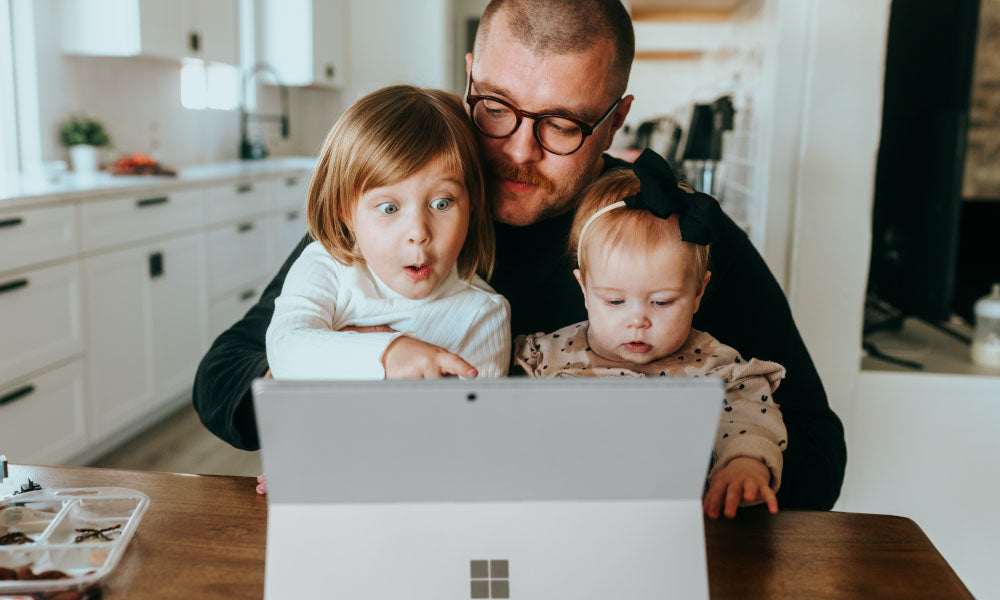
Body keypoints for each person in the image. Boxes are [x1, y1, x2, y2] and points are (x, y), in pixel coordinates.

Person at [194, 0, 847, 510]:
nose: (518, 151)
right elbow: (222, 378)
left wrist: (702, 460)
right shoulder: (406, 211)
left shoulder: (668, 230)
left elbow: (818, 445)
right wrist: (344, 375)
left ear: (615, 120)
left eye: (562, 124)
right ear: (470, 76)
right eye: (496, 108)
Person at [514, 151, 787, 519]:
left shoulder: (716, 370)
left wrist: (745, 466)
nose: (638, 321)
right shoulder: (545, 355)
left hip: (669, 524)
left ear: (698, 293)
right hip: (564, 521)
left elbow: (748, 421)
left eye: (661, 302)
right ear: (584, 288)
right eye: (614, 301)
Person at [265, 85, 510, 382]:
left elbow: (474, 411)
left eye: (441, 204)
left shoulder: (483, 315)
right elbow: (285, 348)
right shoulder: (326, 267)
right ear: (345, 212)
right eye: (390, 208)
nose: (418, 233)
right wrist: (389, 354)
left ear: (472, 205)